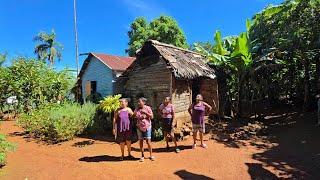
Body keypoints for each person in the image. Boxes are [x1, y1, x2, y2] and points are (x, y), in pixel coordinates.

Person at [134, 97, 154, 162]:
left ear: (144, 102)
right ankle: (142, 156)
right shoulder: (137, 109)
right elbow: (134, 116)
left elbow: (152, 117)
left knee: (148, 141)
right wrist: (136, 116)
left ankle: (151, 155)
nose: (138, 103)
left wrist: (146, 113)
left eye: (140, 102)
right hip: (139, 127)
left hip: (147, 126)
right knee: (141, 141)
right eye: (138, 102)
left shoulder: (148, 108)